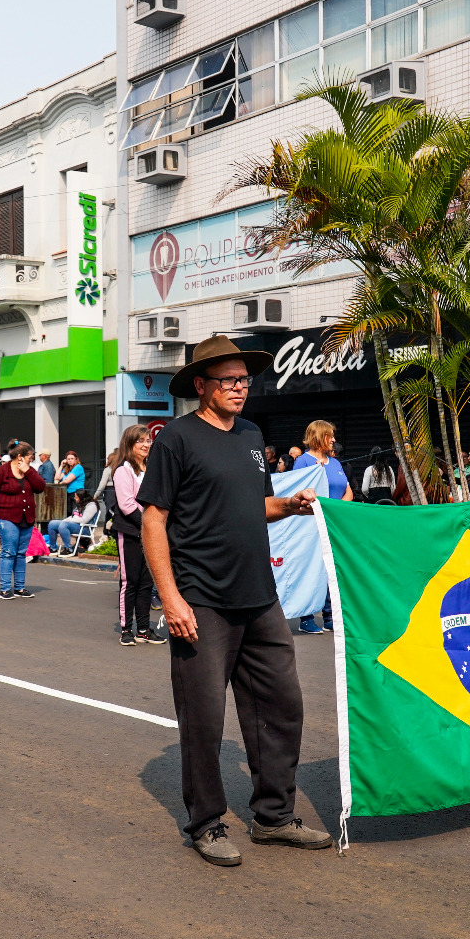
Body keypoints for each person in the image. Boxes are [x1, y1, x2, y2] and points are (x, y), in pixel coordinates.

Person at [138, 335, 329, 866]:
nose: (240, 388)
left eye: (245, 380)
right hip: (201, 599)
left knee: (281, 707)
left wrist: (288, 505)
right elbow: (154, 518)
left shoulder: (250, 434)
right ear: (201, 386)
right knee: (203, 718)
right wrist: (171, 598)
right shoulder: (177, 439)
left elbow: (254, 504)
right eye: (229, 380)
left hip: (259, 596)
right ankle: (206, 823)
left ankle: (274, 817)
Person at [293, 420, 354, 633]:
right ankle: (306, 617)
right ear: (319, 436)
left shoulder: (335, 463)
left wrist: (335, 510)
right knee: (311, 570)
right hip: (310, 525)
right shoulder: (303, 462)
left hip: (334, 524)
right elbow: (299, 493)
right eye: (330, 436)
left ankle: (329, 616)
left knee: (331, 571)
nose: (334, 440)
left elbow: (348, 490)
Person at [111, 425, 159, 646]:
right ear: (129, 444)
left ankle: (143, 629)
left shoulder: (151, 468)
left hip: (150, 532)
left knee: (146, 583)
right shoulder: (124, 470)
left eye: (148, 440)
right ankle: (126, 629)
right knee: (130, 582)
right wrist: (149, 525)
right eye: (140, 441)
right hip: (131, 531)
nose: (146, 444)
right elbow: (127, 504)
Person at [0, 441, 46, 600]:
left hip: (27, 517)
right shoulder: (2, 471)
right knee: (9, 551)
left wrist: (28, 471)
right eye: (30, 457)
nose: (31, 459)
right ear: (20, 456)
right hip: (6, 517)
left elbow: (40, 487)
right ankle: (5, 589)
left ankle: (19, 588)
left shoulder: (30, 471)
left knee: (21, 553)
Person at [47, 490, 99, 555]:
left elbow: (84, 520)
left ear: (82, 498)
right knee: (52, 524)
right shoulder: (80, 504)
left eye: (76, 497)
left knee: (64, 525)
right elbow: (73, 516)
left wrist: (70, 520)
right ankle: (53, 548)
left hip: (85, 528)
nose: (74, 498)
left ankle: (68, 549)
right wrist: (65, 520)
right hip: (75, 525)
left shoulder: (92, 506)